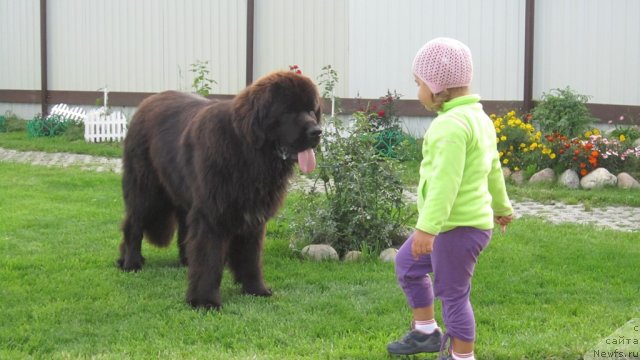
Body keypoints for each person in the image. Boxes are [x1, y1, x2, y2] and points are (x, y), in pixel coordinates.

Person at [386, 37, 513, 360]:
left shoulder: (451, 127)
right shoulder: (479, 119)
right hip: (460, 226)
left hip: (455, 229)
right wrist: (502, 208)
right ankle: (426, 332)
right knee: (407, 264)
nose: (418, 92)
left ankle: (461, 356)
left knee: (454, 296)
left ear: (437, 86)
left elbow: (446, 184)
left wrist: (427, 228)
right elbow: (493, 169)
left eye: (419, 84)